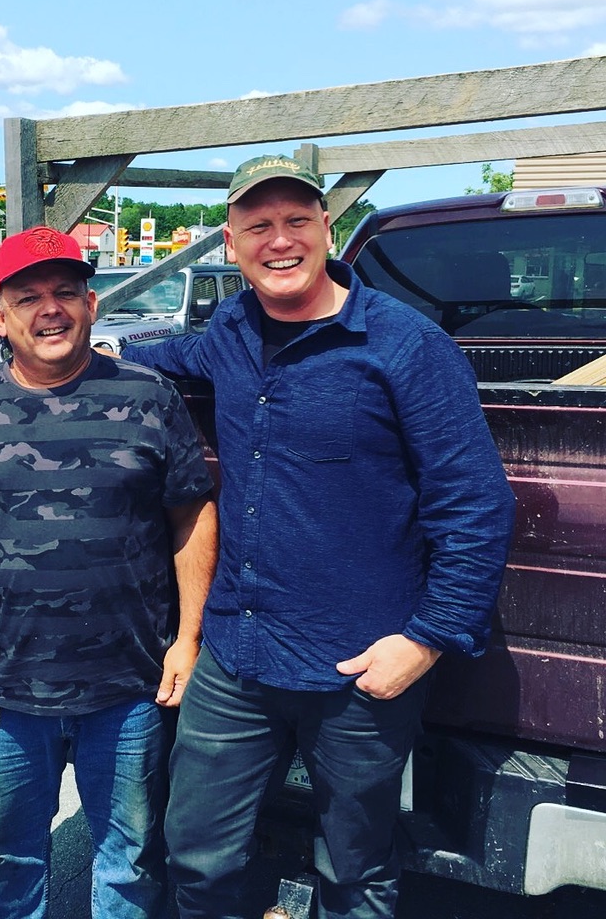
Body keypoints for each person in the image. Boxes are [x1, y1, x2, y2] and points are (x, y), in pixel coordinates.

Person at [123, 155, 516, 919]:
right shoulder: (231, 328)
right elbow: (172, 355)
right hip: (237, 657)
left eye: (297, 221)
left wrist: (427, 638)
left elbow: (475, 505)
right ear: (230, 244)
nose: (280, 240)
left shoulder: (405, 345)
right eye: (258, 226)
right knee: (196, 855)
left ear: (326, 230)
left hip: (361, 671)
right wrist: (95, 358)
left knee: (358, 872)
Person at [0, 226, 218, 919]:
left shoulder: (147, 395)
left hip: (130, 687)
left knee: (129, 861)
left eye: (65, 293)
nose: (49, 310)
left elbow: (191, 517)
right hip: (7, 687)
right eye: (28, 297)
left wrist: (189, 640)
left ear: (90, 304)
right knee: (11, 860)